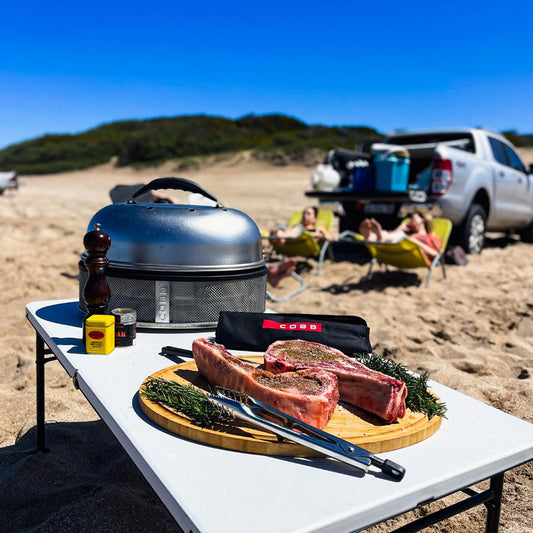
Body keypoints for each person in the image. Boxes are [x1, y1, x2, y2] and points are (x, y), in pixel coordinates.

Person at [358, 211, 442, 260]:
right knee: (389, 234)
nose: (410, 221)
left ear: (422, 220)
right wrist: (400, 228)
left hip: (413, 257)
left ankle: (373, 238)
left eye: (413, 219)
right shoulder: (408, 234)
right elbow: (394, 236)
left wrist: (414, 241)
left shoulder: (432, 238)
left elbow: (436, 254)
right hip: (395, 252)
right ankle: (371, 237)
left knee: (400, 236)